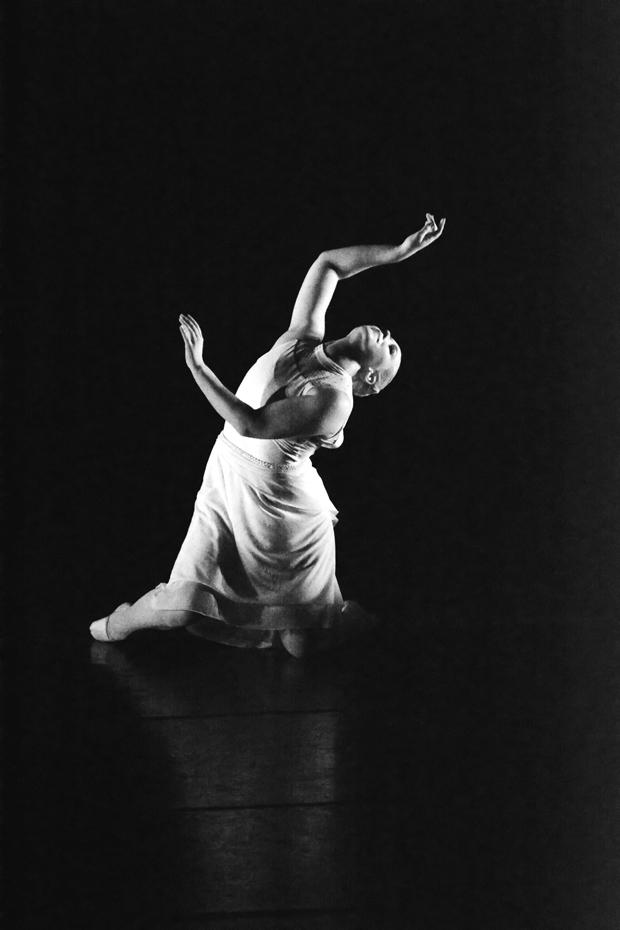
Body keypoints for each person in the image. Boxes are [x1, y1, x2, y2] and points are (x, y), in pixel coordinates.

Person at [90, 213, 446, 657]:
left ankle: (355, 620)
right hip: (230, 476)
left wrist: (198, 368)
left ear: (371, 379)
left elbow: (251, 424)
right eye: (393, 338)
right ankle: (118, 623)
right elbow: (328, 264)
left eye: (391, 350)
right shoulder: (304, 337)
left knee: (300, 645)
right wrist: (397, 252)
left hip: (283, 511)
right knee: (183, 607)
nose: (388, 335)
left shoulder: (335, 399)